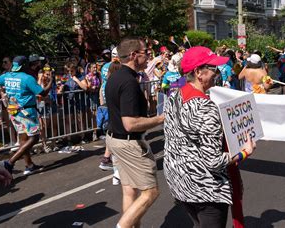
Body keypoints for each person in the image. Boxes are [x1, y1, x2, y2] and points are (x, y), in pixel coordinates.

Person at [164, 46, 256, 228]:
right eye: (213, 68)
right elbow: (213, 161)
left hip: (179, 179)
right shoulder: (205, 107)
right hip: (204, 188)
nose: (217, 72)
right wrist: (244, 152)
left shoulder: (174, 96)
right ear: (199, 72)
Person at [105, 38, 165, 228]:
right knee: (151, 192)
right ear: (133, 55)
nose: (149, 56)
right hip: (129, 143)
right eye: (145, 52)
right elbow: (130, 123)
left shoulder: (115, 77)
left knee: (129, 190)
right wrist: (162, 118)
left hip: (115, 140)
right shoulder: (128, 82)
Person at [0, 56, 53, 176]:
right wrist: (51, 81)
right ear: (24, 65)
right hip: (26, 113)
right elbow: (42, 93)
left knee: (23, 139)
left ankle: (29, 165)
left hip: (14, 112)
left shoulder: (7, 76)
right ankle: (9, 162)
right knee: (34, 138)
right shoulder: (27, 78)